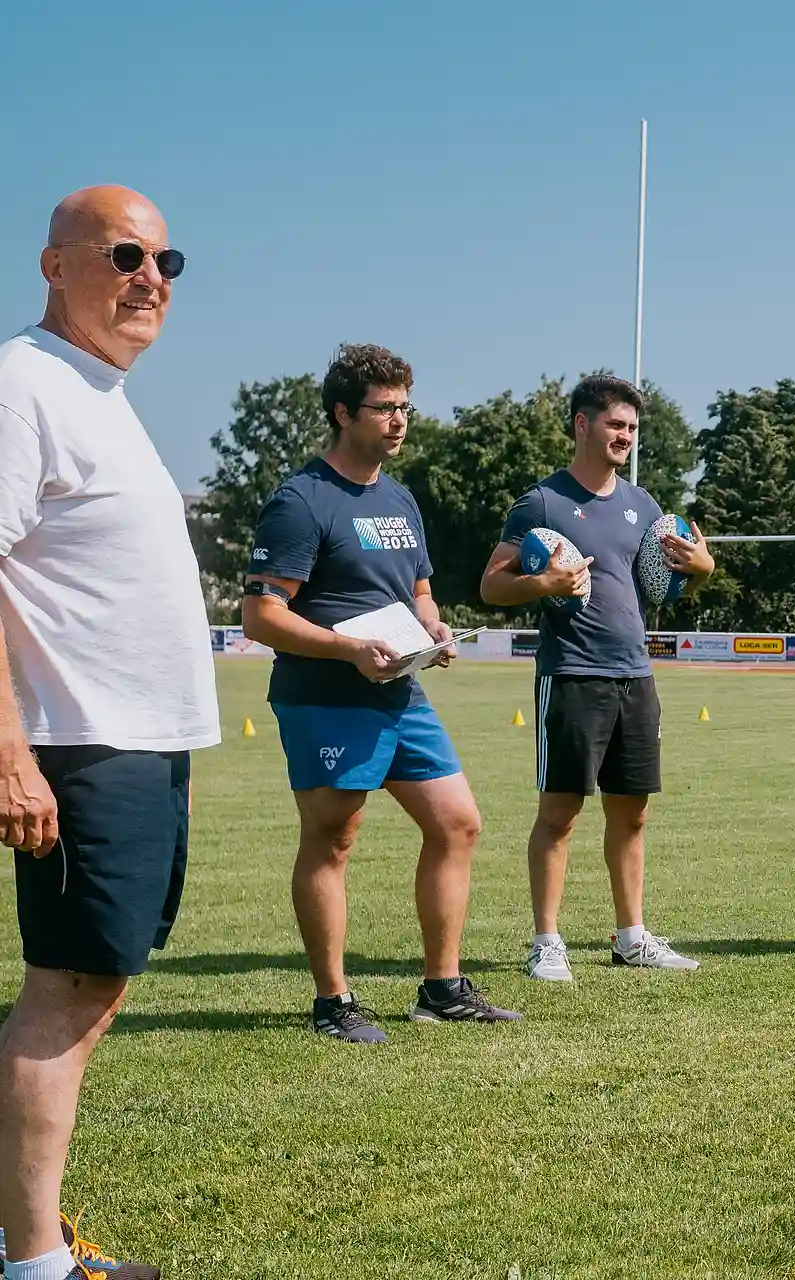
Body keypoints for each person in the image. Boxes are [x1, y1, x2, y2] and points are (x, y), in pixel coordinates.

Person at [0, 186, 213, 1280]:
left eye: (167, 262)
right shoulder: (21, 380)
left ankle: (18, 1226)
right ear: (54, 264)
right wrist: (10, 751)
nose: (150, 278)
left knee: (101, 977)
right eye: (126, 253)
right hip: (79, 740)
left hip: (142, 738)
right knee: (68, 984)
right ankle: (33, 1260)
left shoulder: (102, 392)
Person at [244, 343, 519, 1043]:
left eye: (405, 405)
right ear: (343, 413)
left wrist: (436, 628)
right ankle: (333, 1003)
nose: (399, 420)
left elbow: (419, 591)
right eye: (385, 407)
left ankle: (442, 988)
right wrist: (348, 648)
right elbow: (262, 615)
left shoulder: (399, 498)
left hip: (400, 692)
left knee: (458, 822)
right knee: (334, 839)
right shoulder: (300, 501)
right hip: (324, 696)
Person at [479, 375, 714, 980]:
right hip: (572, 674)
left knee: (632, 813)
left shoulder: (644, 506)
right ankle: (547, 940)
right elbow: (492, 584)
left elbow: (665, 587)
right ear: (583, 425)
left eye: (632, 429)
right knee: (560, 813)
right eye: (616, 425)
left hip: (635, 676)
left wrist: (703, 568)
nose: (626, 438)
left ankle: (631, 935)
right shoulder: (542, 503)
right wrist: (542, 584)